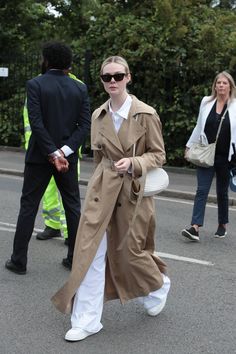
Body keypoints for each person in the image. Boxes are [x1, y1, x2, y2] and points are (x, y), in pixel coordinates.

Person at [51, 55, 171, 342]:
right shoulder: (98, 116)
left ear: (128, 77)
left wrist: (134, 163)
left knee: (130, 254)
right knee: (90, 253)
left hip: (132, 193)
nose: (113, 82)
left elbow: (159, 154)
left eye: (118, 76)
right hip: (102, 192)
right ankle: (86, 320)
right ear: (102, 81)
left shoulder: (146, 114)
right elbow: (100, 158)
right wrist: (99, 183)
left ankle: (158, 284)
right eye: (107, 77)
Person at [5, 41, 90, 274]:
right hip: (68, 159)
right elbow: (84, 126)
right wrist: (64, 152)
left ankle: (19, 261)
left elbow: (37, 123)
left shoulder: (35, 84)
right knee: (73, 206)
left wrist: (52, 152)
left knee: (28, 207)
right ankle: (74, 259)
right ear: (68, 63)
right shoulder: (79, 88)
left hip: (39, 157)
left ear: (47, 60)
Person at [23, 72, 83, 245]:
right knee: (51, 193)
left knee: (67, 197)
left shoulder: (73, 84)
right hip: (44, 152)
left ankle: (68, 233)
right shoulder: (38, 83)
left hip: (61, 153)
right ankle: (53, 225)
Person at [182, 71, 236, 242]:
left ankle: (222, 224)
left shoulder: (235, 105)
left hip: (226, 157)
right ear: (214, 86)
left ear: (230, 86)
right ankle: (195, 227)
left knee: (222, 192)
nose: (221, 85)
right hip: (206, 153)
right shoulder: (206, 102)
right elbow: (199, 126)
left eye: (224, 83)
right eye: (218, 82)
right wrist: (189, 145)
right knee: (202, 190)